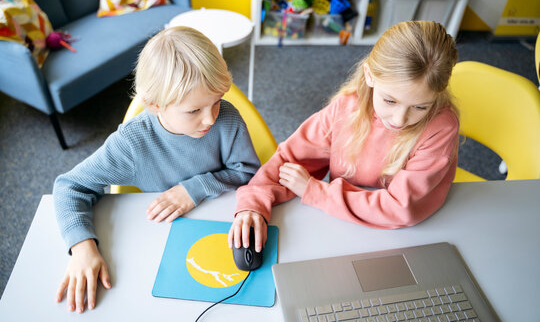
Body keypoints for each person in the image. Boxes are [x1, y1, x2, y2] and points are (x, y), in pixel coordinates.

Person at [53, 26, 260, 313]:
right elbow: (69, 186)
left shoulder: (227, 119)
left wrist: (195, 188)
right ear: (154, 105)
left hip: (217, 233)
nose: (211, 117)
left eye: (217, 100)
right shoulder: (132, 144)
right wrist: (82, 246)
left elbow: (249, 174)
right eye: (193, 111)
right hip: (157, 245)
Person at [229, 21, 460, 253]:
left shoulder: (440, 127)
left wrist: (315, 191)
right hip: (342, 223)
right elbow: (291, 158)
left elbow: (401, 208)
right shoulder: (347, 107)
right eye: (390, 100)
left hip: (411, 237)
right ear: (370, 76)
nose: (399, 120)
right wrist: (253, 203)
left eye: (420, 107)